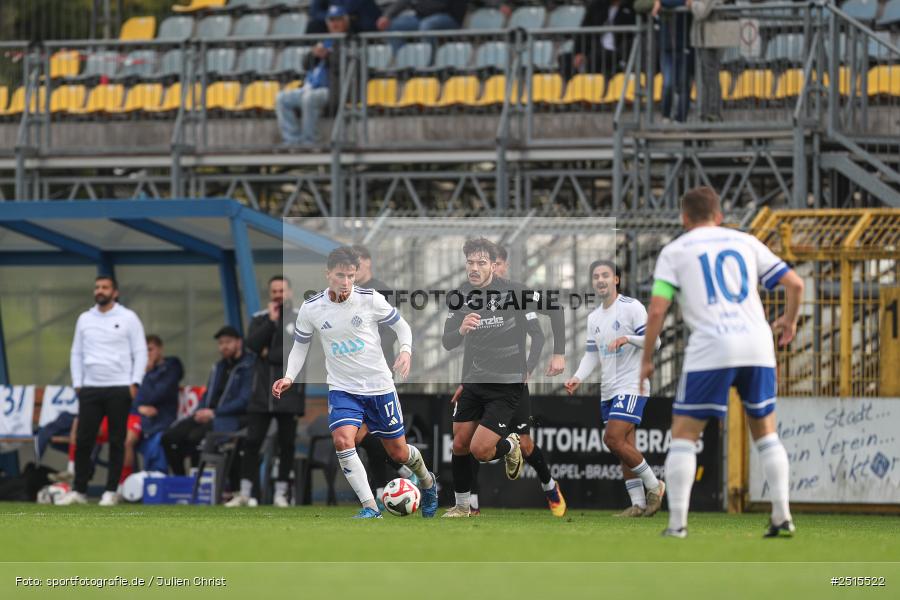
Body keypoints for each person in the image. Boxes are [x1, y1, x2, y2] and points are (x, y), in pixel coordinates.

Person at [639, 186, 804, 538]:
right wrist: (789, 322)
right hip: (758, 345)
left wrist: (647, 359)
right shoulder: (745, 241)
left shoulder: (675, 251)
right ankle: (782, 515)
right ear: (719, 216)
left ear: (685, 218)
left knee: (684, 436)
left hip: (711, 347)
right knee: (766, 433)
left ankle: (678, 524)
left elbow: (657, 308)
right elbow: (795, 284)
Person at [272, 246, 439, 519]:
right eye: (341, 276)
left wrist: (405, 350)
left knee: (398, 453)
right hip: (342, 389)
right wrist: (289, 376)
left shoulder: (370, 299)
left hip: (379, 387)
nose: (347, 282)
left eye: (351, 276)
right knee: (342, 440)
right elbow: (300, 346)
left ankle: (428, 481)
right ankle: (370, 507)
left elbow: (402, 326)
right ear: (328, 275)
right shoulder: (312, 308)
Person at [441, 238, 566, 518]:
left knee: (482, 450)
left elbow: (555, 309)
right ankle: (462, 506)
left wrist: (559, 354)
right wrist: (460, 329)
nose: (474, 267)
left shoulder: (514, 292)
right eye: (470, 262)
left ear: (493, 267)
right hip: (474, 381)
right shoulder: (459, 295)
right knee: (460, 444)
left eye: (481, 262)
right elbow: (447, 342)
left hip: (507, 384)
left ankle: (511, 446)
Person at [564, 260, 665, 517]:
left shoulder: (632, 308)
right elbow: (591, 355)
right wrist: (577, 376)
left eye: (605, 275)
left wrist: (628, 338)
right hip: (608, 389)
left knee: (612, 438)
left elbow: (657, 341)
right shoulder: (594, 317)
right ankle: (638, 504)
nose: (600, 280)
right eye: (596, 276)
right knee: (624, 446)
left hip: (632, 385)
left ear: (616, 280)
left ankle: (655, 486)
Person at [57, 275, 147, 506]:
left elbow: (140, 351)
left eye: (105, 287)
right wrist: (78, 382)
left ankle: (110, 490)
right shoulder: (85, 319)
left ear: (115, 292)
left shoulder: (128, 318)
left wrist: (134, 382)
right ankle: (79, 490)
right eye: (97, 287)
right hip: (91, 387)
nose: (100, 291)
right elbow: (76, 352)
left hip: (118, 387)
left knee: (117, 440)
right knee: (84, 440)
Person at [227, 276, 305, 508]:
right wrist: (271, 323)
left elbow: (293, 351)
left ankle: (282, 493)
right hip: (261, 393)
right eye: (274, 291)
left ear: (290, 292)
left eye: (282, 290)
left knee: (286, 444)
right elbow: (251, 345)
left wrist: (267, 354)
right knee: (252, 442)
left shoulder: (301, 317)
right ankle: (245, 492)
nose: (278, 295)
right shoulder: (260, 318)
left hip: (289, 393)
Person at [162, 326, 255, 476]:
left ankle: (198, 485)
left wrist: (214, 413)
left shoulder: (248, 366)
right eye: (220, 343)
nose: (223, 346)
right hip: (208, 415)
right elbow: (208, 395)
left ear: (239, 343)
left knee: (195, 438)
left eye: (228, 342)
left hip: (231, 419)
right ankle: (182, 481)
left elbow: (244, 401)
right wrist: (200, 411)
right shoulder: (218, 367)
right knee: (169, 438)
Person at [276, 5, 348, 146]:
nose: (335, 24)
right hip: (309, 87)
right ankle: (292, 140)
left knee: (309, 98)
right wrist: (313, 54)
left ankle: (311, 141)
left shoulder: (350, 41)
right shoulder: (324, 41)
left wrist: (328, 56)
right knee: (282, 98)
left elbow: (347, 66)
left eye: (338, 20)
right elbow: (304, 64)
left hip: (331, 90)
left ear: (345, 22)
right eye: (332, 20)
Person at [128, 335, 183, 475]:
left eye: (150, 349)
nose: (147, 354)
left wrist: (146, 374)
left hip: (162, 420)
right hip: (141, 420)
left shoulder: (171, 367)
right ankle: (128, 480)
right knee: (125, 438)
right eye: (144, 352)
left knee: (157, 438)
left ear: (160, 349)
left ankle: (157, 475)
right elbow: (132, 400)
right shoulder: (139, 372)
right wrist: (140, 408)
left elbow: (155, 395)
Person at [560, 1, 637, 80]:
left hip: (617, 53)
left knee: (597, 57)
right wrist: (579, 52)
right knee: (565, 59)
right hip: (594, 50)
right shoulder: (596, 7)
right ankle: (565, 90)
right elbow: (584, 31)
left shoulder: (632, 7)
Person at [653, 0, 695, 123]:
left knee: (684, 85)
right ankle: (665, 115)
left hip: (685, 45)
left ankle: (680, 119)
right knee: (668, 83)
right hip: (667, 47)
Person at [377, 0, 468, 49]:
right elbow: (404, 1)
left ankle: (428, 65)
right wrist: (387, 16)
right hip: (421, 17)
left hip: (449, 17)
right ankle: (405, 63)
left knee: (427, 25)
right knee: (392, 26)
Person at [307, 0, 382, 34]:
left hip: (357, 29)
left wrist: (345, 18)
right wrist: (333, 17)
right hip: (332, 25)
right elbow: (314, 12)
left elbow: (371, 18)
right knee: (313, 26)